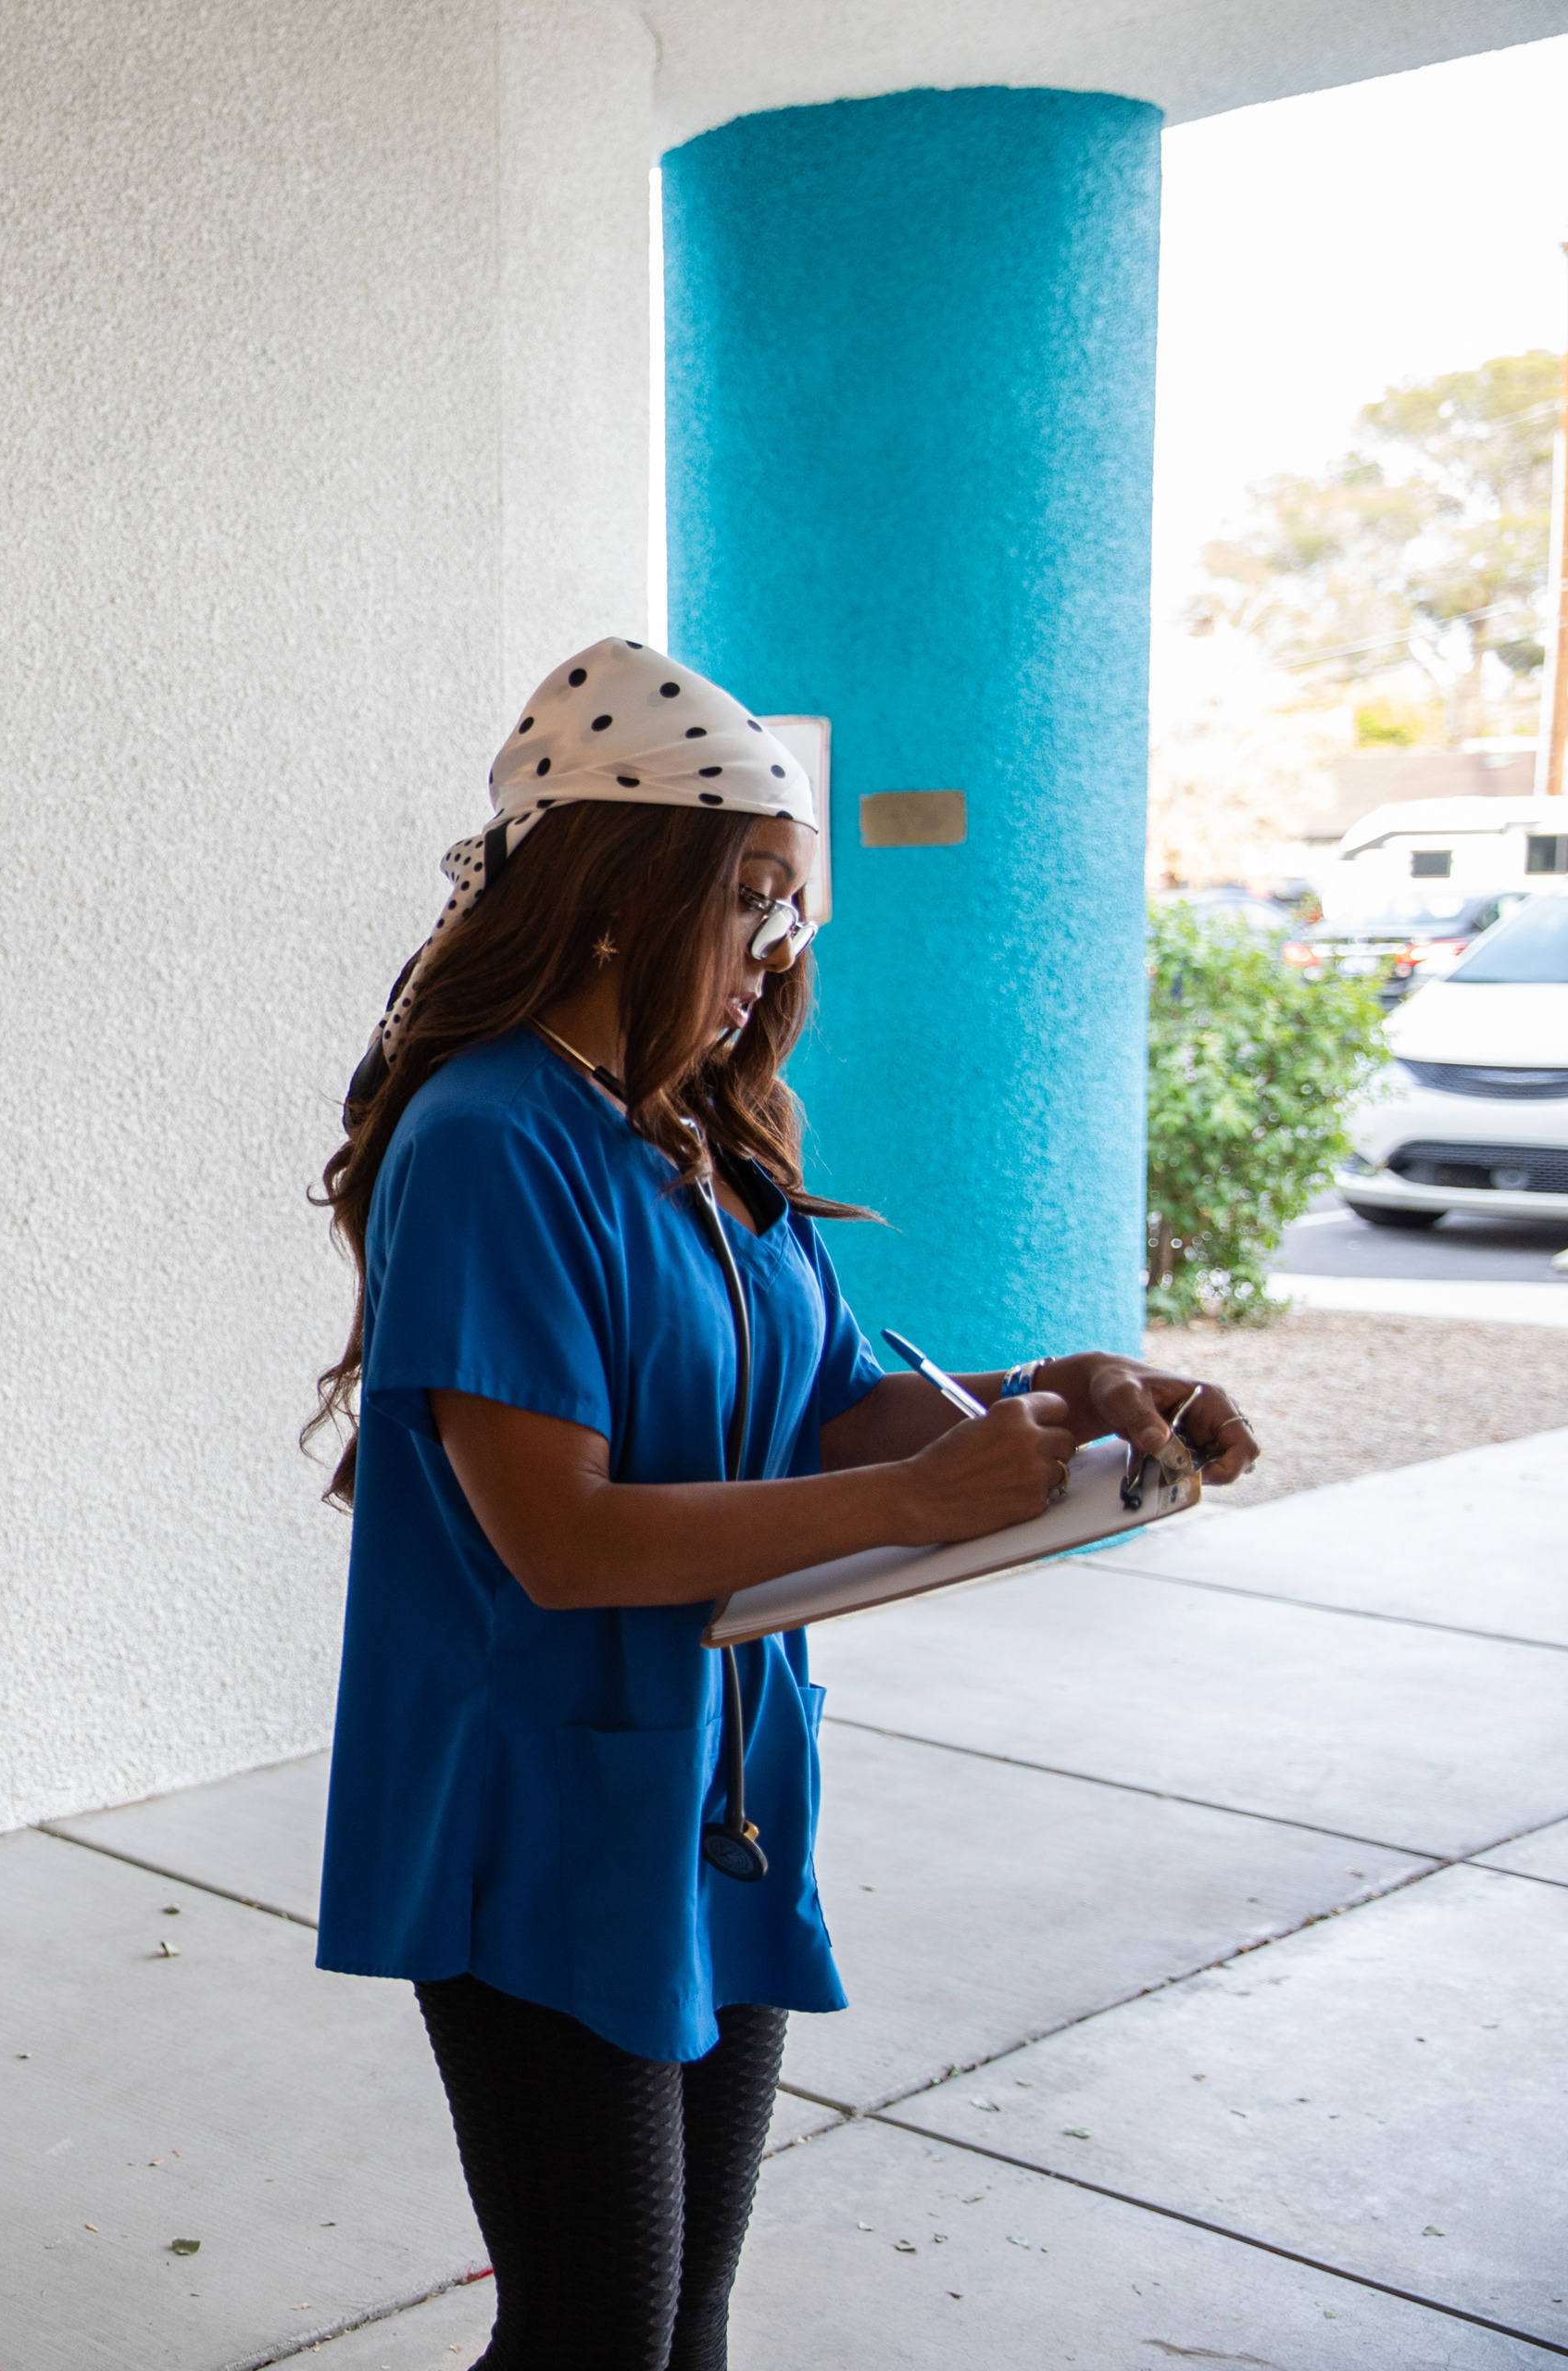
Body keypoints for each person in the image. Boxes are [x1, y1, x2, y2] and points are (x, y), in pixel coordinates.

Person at [303, 638, 1256, 2369]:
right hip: (541, 1803)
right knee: (596, 2333)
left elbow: (823, 1406)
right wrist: (920, 1490)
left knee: (686, 2320)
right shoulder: (492, 1138)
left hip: (717, 1784)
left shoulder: (703, 1132)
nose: (780, 944)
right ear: (617, 893)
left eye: (791, 906)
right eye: (748, 898)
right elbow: (562, 1541)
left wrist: (1061, 1398)